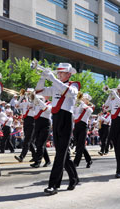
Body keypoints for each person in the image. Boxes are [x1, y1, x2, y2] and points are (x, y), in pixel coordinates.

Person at [35, 62, 80, 195]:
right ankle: (74, 177)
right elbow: (38, 91)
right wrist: (43, 77)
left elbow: (68, 92)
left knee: (60, 154)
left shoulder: (74, 84)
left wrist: (53, 79)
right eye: (58, 72)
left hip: (66, 118)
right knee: (62, 153)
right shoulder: (55, 85)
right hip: (56, 117)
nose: (59, 74)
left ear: (69, 74)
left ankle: (53, 185)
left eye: (62, 73)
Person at [103, 83, 120, 178]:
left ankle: (119, 169)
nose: (119, 91)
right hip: (114, 123)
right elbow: (106, 107)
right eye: (118, 89)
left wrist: (115, 96)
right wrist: (109, 96)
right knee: (116, 148)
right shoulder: (114, 99)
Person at [14, 88, 37, 162]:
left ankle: (22, 156)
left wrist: (32, 98)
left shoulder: (35, 102)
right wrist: (21, 96)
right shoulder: (24, 103)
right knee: (28, 140)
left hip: (32, 121)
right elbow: (16, 105)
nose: (28, 94)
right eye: (27, 93)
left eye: (29, 93)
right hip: (26, 121)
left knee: (27, 140)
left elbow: (33, 107)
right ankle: (35, 155)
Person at [73, 93, 94, 168]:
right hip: (76, 126)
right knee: (80, 145)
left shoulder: (89, 108)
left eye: (84, 98)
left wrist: (81, 103)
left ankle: (76, 162)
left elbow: (90, 111)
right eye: (82, 98)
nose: (82, 99)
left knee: (80, 145)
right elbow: (73, 114)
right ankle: (89, 160)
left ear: (87, 101)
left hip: (83, 126)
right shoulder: (78, 107)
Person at [30, 95, 52, 168]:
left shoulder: (50, 104)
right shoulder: (35, 105)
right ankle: (48, 160)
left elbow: (46, 109)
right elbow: (28, 107)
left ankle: (37, 162)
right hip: (37, 123)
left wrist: (38, 100)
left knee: (40, 144)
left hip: (45, 124)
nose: (38, 100)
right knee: (38, 143)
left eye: (40, 99)